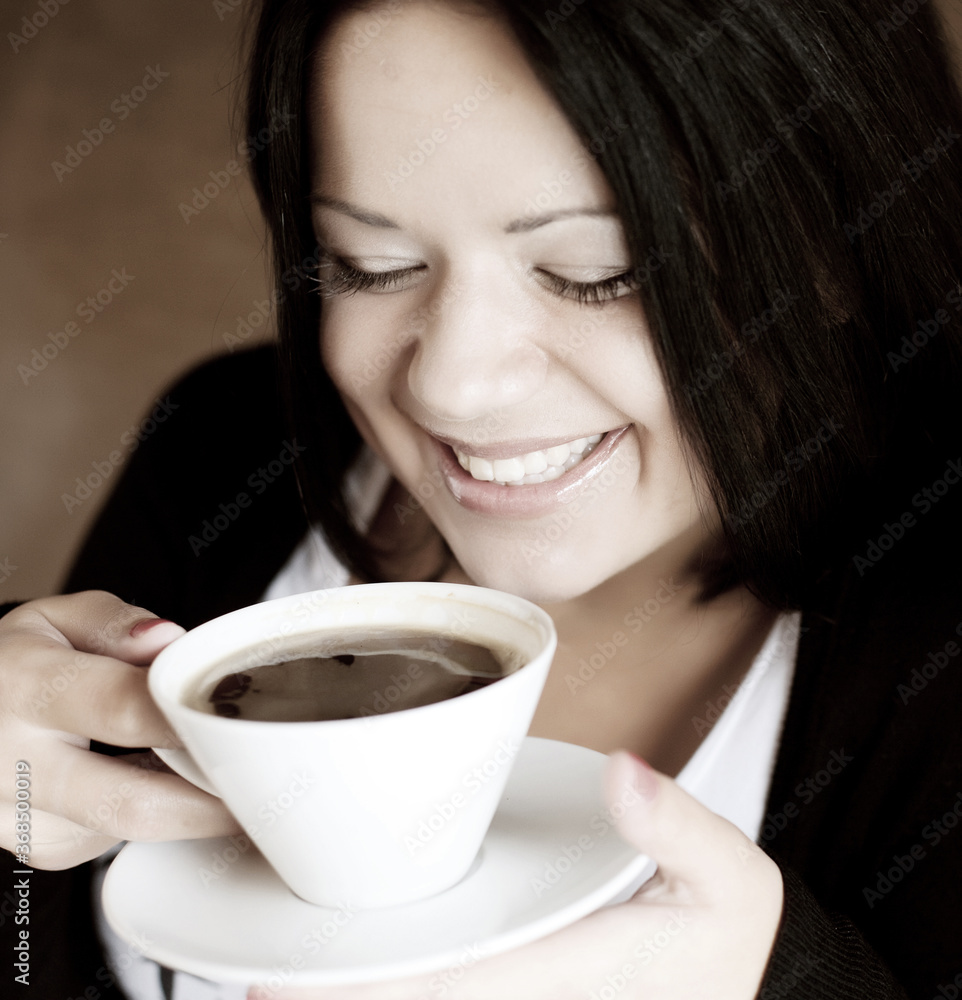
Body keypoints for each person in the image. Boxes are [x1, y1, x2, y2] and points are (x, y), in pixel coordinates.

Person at [2, 0, 961, 997]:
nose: (449, 386)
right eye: (372, 267)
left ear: (832, 246)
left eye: (596, 273)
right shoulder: (218, 457)